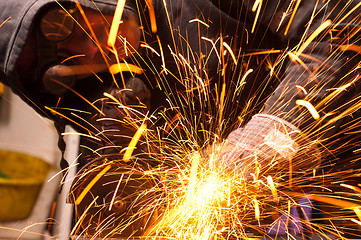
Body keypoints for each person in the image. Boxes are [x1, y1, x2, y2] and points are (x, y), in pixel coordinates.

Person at [1, 0, 361, 238]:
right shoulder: (105, 95)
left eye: (70, 26)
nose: (91, 49)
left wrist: (276, 128)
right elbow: (108, 193)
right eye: (65, 62)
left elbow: (340, 31)